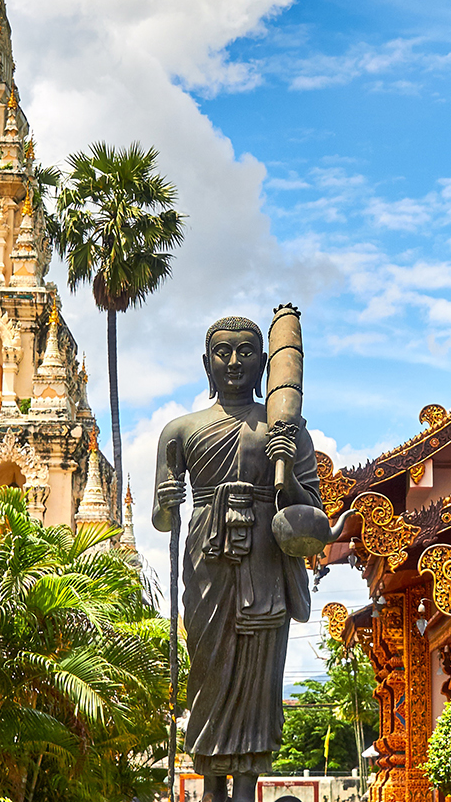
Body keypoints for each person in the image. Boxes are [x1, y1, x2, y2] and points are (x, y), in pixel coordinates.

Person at [152, 317, 322, 802]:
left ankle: (247, 785)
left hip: (265, 561)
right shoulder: (180, 430)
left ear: (264, 364)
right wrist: (167, 500)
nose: (233, 363)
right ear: (207, 363)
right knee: (208, 668)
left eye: (246, 353)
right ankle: (210, 786)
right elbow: (163, 520)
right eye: (223, 353)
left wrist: (285, 471)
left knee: (258, 674)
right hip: (207, 559)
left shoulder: (285, 432)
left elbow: (312, 519)